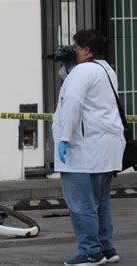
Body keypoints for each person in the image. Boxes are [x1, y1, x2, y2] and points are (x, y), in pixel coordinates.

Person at [52, 29, 126, 265]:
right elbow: (77, 90)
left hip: (84, 149)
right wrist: (67, 68)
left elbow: (72, 103)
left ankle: (90, 252)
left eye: (74, 47)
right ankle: (106, 248)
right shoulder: (106, 69)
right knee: (100, 203)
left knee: (81, 204)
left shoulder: (83, 71)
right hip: (104, 149)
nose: (71, 51)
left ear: (86, 50)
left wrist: (64, 138)